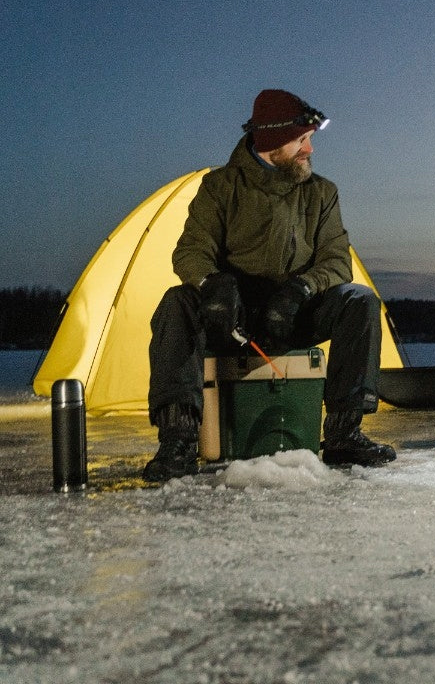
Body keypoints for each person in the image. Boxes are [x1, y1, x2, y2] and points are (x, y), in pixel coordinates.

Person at [144, 89, 396, 482]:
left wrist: (302, 290)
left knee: (359, 301)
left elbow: (337, 260)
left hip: (293, 313)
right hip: (234, 319)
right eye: (301, 140)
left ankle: (345, 432)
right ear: (273, 142)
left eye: (310, 139)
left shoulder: (321, 193)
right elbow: (190, 251)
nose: (310, 150)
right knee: (177, 303)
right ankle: (178, 440)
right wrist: (213, 285)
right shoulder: (220, 188)